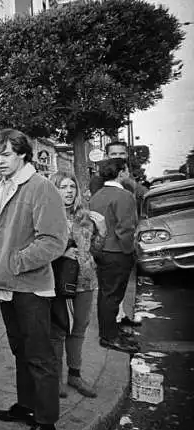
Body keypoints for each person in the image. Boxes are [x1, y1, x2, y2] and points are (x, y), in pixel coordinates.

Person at [0, 129, 68, 430]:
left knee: (40, 357)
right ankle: (26, 406)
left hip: (29, 286)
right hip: (7, 285)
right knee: (21, 350)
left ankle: (46, 425)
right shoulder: (5, 186)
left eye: (5, 154)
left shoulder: (40, 187)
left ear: (22, 154)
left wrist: (15, 262)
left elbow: (54, 240)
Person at [50, 172, 106, 399]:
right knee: (58, 331)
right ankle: (57, 379)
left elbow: (97, 250)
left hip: (86, 280)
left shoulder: (86, 216)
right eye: (63, 187)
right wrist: (61, 252)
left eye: (72, 186)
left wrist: (103, 231)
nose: (69, 191)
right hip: (59, 280)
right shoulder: (48, 215)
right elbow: (37, 245)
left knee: (80, 328)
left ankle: (75, 374)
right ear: (55, 190)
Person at [89, 158, 140, 354]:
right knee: (113, 295)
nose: (128, 172)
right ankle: (109, 336)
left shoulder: (97, 195)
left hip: (102, 250)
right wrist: (130, 251)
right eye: (126, 169)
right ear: (120, 172)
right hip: (118, 252)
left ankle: (109, 331)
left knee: (106, 294)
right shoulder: (125, 196)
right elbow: (125, 229)